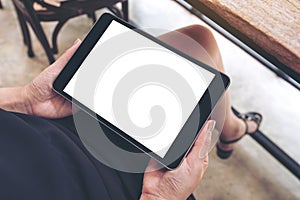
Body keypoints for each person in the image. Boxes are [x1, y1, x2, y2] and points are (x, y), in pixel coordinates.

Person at [0, 25, 261, 200]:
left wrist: (23, 100)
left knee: (197, 40)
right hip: (110, 184)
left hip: (43, 123)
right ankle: (234, 130)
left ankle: (233, 130)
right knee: (198, 56)